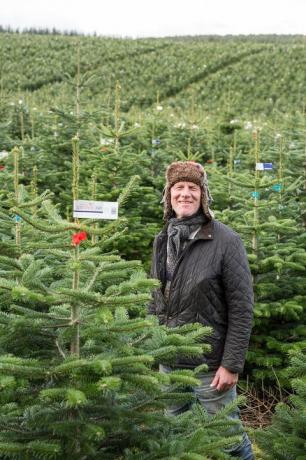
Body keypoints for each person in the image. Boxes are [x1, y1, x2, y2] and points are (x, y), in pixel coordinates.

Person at [149, 161, 254, 459]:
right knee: (177, 436)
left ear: (203, 196)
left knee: (229, 441)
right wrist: (152, 345)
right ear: (169, 195)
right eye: (178, 188)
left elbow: (242, 308)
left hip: (210, 366)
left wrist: (231, 364)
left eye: (192, 188)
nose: (185, 194)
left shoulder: (225, 240)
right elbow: (154, 297)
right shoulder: (163, 238)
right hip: (169, 360)